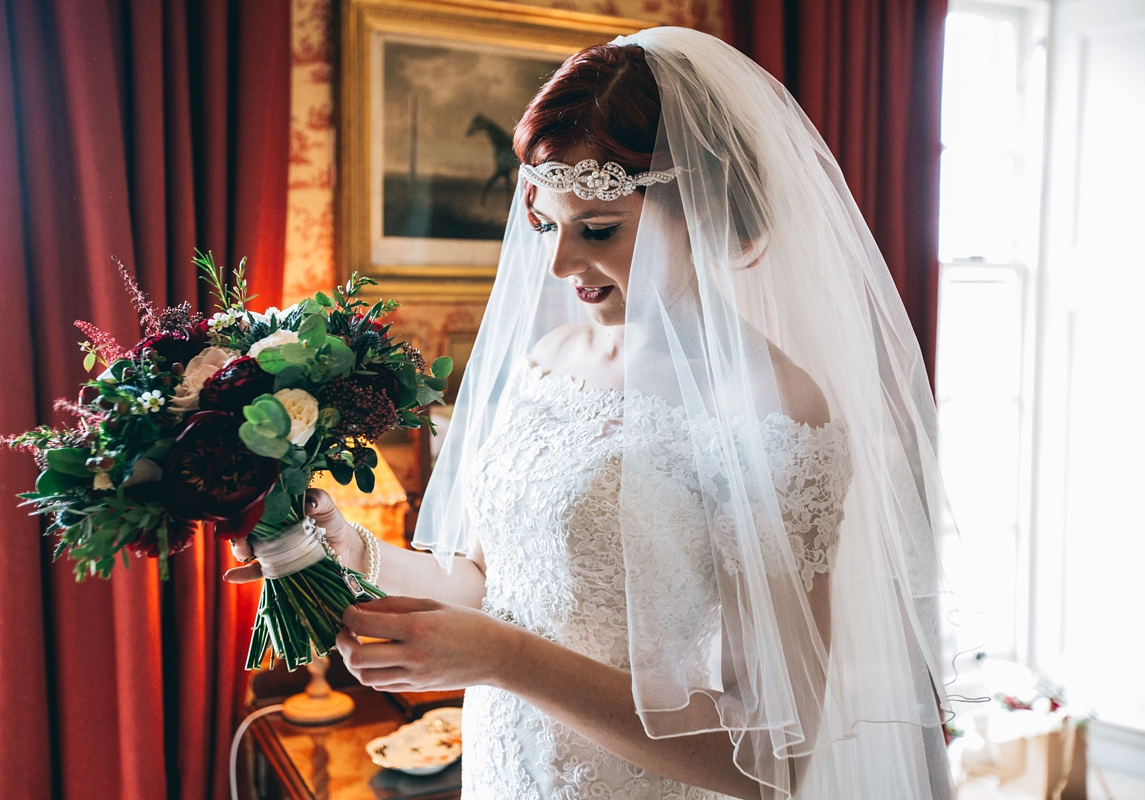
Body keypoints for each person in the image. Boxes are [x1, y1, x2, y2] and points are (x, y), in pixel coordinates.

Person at [228, 27, 955, 799]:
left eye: (598, 229)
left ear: (703, 211)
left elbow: (772, 759)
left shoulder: (774, 409)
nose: (560, 264)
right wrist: (355, 550)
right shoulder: (546, 363)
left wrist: (503, 659)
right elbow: (486, 581)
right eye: (546, 224)